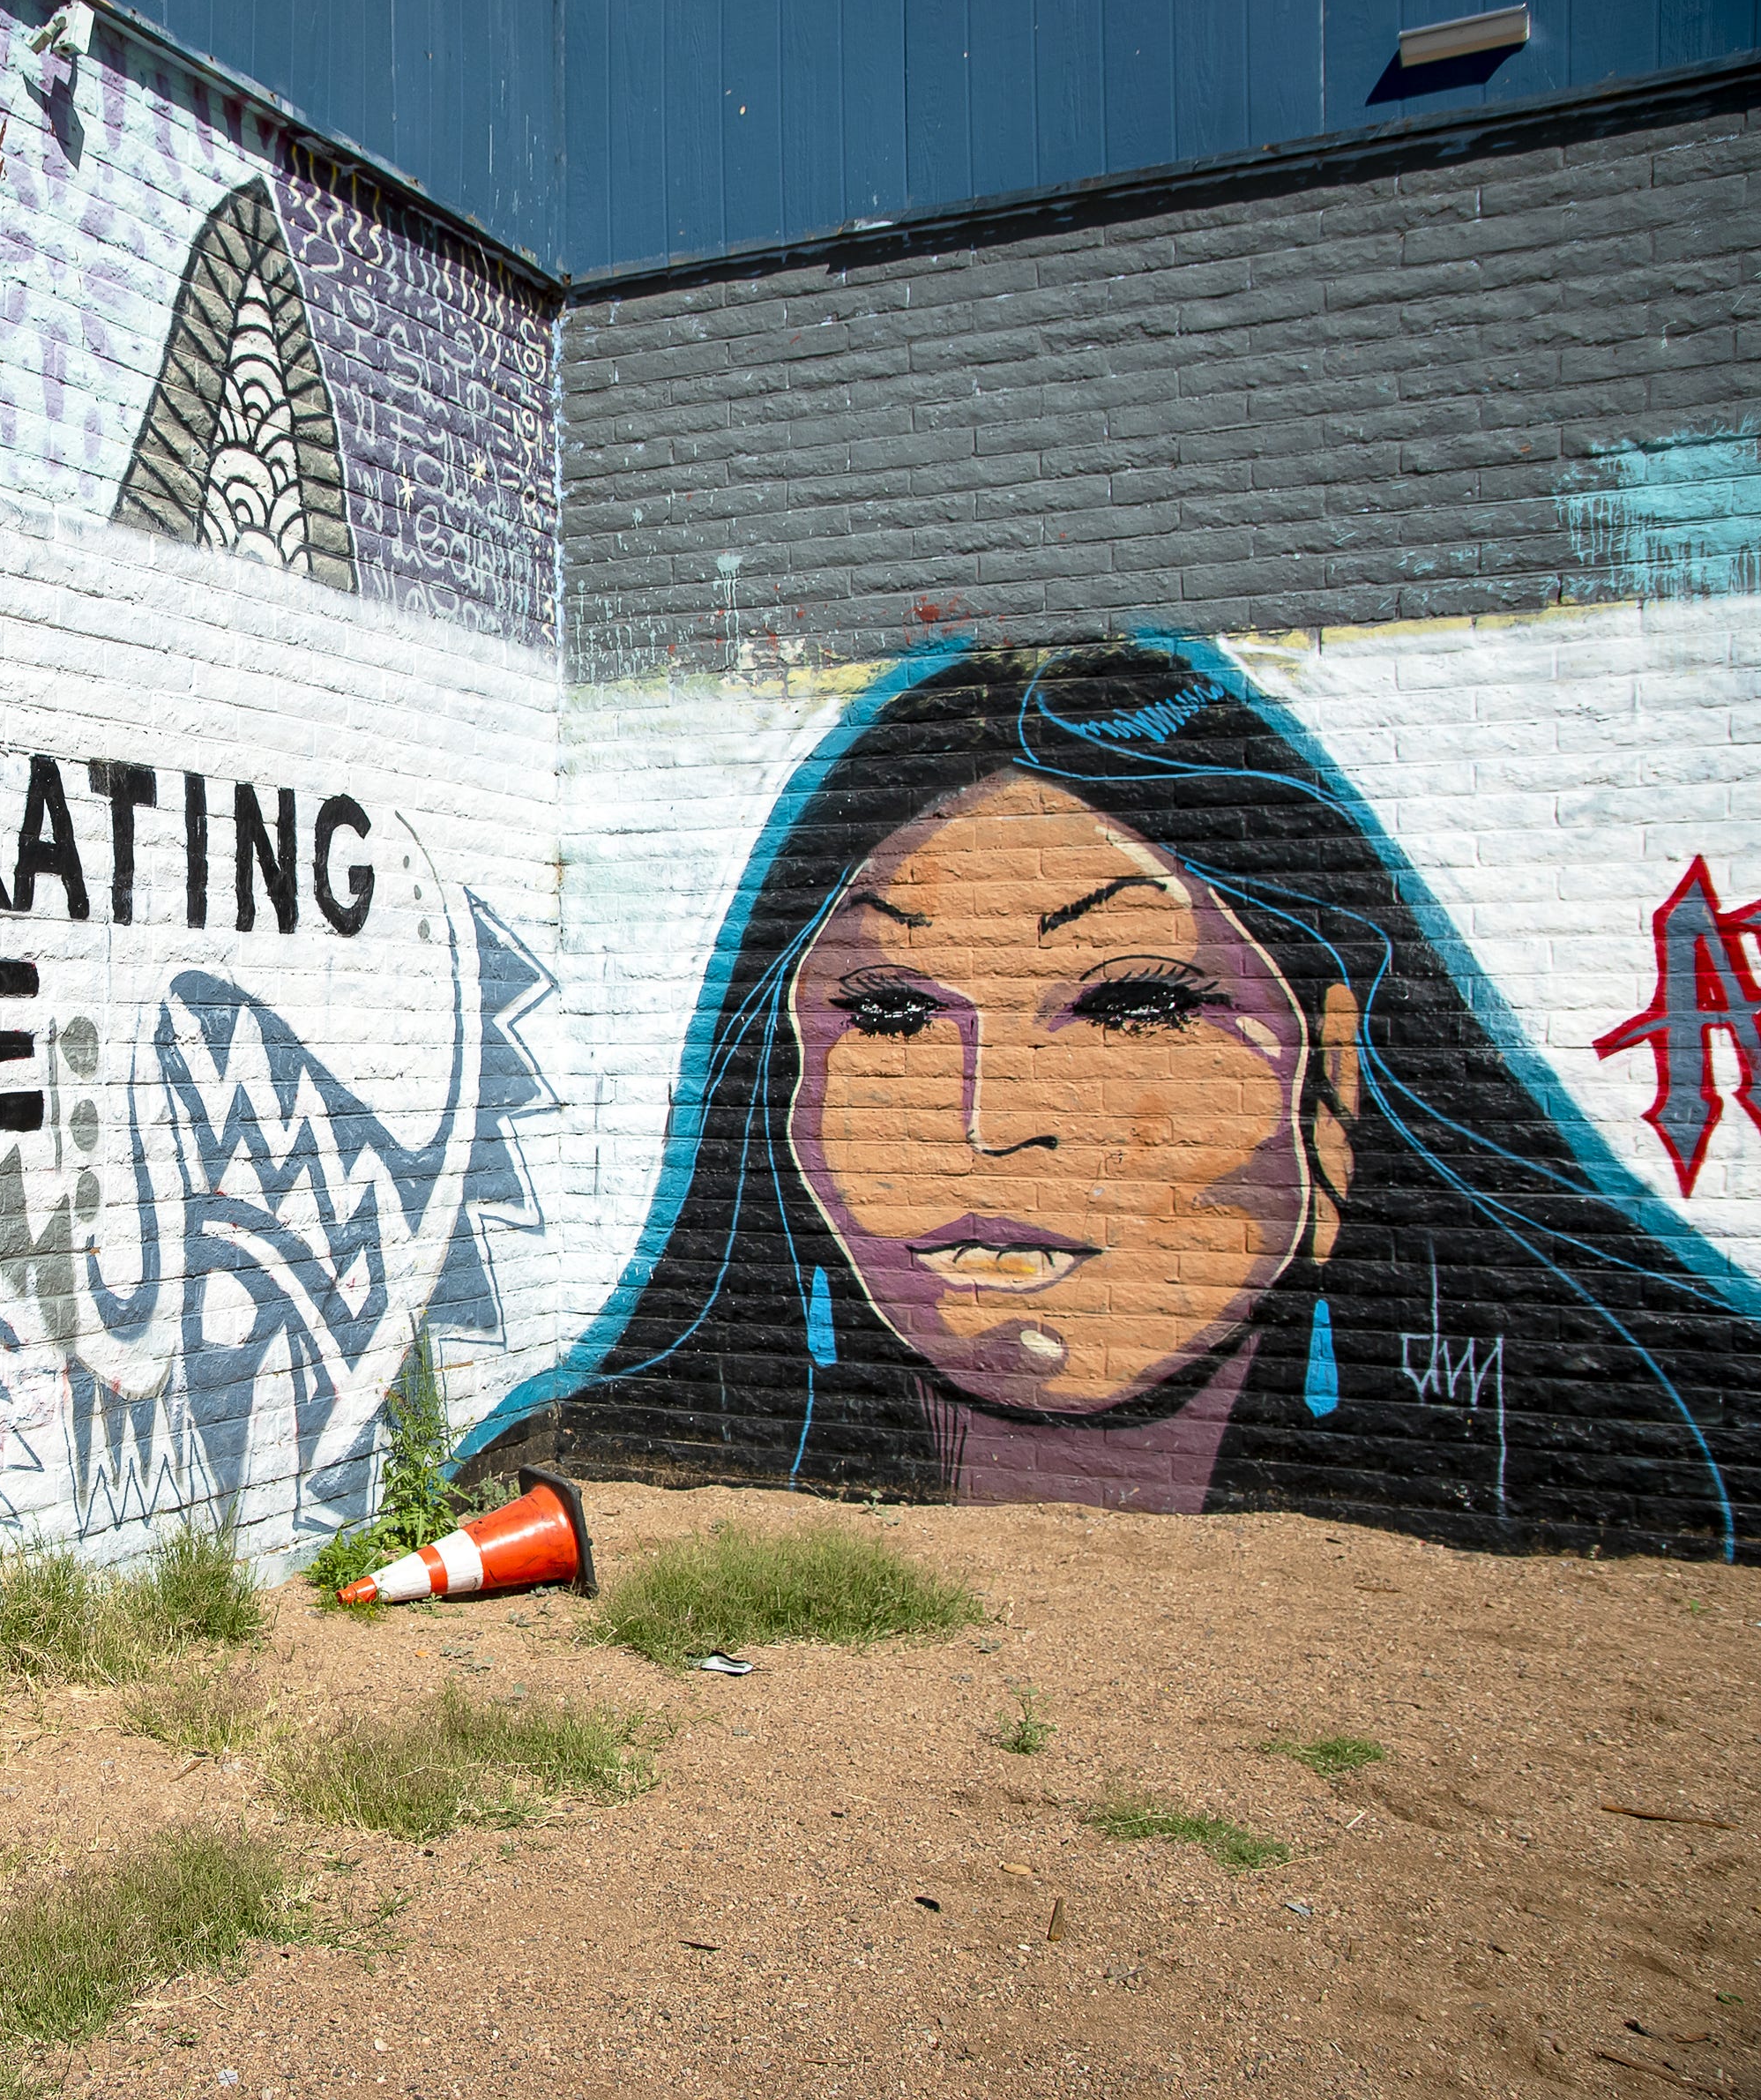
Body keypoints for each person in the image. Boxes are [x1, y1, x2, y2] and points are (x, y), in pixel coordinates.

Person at [504, 642, 1757, 1559]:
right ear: (779, 1088)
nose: (991, 1121)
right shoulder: (588, 1452)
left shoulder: (1671, 1467)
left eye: (1133, 1005)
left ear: (1330, 1076)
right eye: (891, 1012)